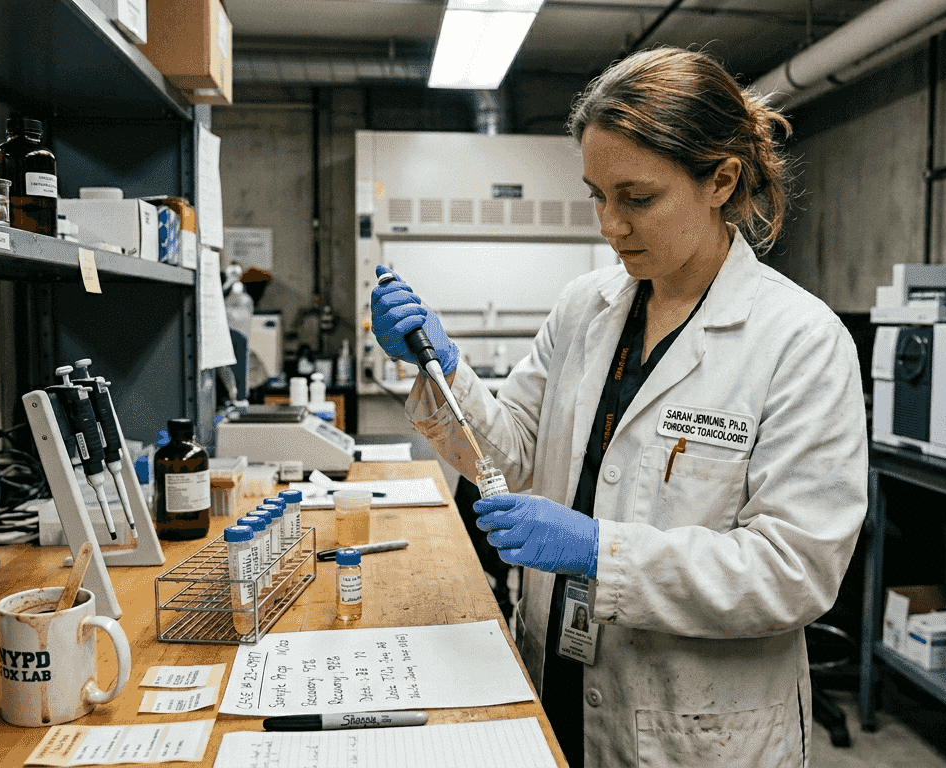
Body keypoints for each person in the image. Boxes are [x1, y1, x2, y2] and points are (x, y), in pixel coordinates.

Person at [371, 47, 867, 768]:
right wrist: (442, 370)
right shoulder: (586, 307)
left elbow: (794, 571)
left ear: (720, 181)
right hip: (559, 676)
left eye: (636, 199)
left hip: (695, 729)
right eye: (596, 196)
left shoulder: (799, 341)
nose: (609, 226)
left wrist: (600, 551)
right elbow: (506, 456)